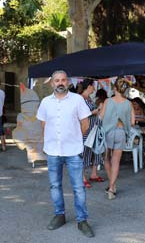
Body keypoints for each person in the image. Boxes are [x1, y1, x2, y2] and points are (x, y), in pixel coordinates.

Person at [36, 70, 94, 238]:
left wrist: (74, 139)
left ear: (68, 82)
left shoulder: (77, 100)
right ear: (52, 83)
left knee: (78, 187)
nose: (60, 83)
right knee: (55, 185)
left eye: (63, 80)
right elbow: (43, 125)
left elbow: (85, 124)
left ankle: (82, 220)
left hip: (73, 151)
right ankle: (59, 215)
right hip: (53, 151)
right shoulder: (45, 102)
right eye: (57, 80)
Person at [100, 78, 135, 200]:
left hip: (108, 132)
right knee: (116, 161)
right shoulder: (128, 103)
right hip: (121, 133)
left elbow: (101, 117)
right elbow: (132, 122)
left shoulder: (107, 101)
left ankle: (112, 185)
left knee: (106, 159)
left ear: (115, 88)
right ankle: (111, 188)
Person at [80, 79, 104, 188]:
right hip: (86, 129)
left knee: (96, 151)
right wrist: (93, 112)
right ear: (89, 86)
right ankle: (82, 177)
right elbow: (78, 114)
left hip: (94, 128)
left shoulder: (89, 98)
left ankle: (94, 174)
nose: (94, 88)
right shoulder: (80, 99)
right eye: (93, 86)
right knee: (85, 152)